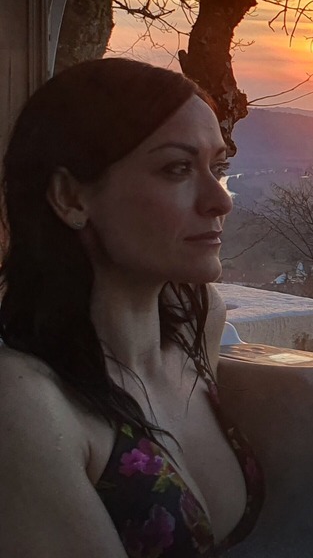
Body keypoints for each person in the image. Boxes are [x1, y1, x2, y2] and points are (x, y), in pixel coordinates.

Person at [0, 59, 263, 557]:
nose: (219, 200)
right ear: (71, 197)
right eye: (177, 169)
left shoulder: (199, 323)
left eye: (219, 167)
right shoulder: (23, 401)